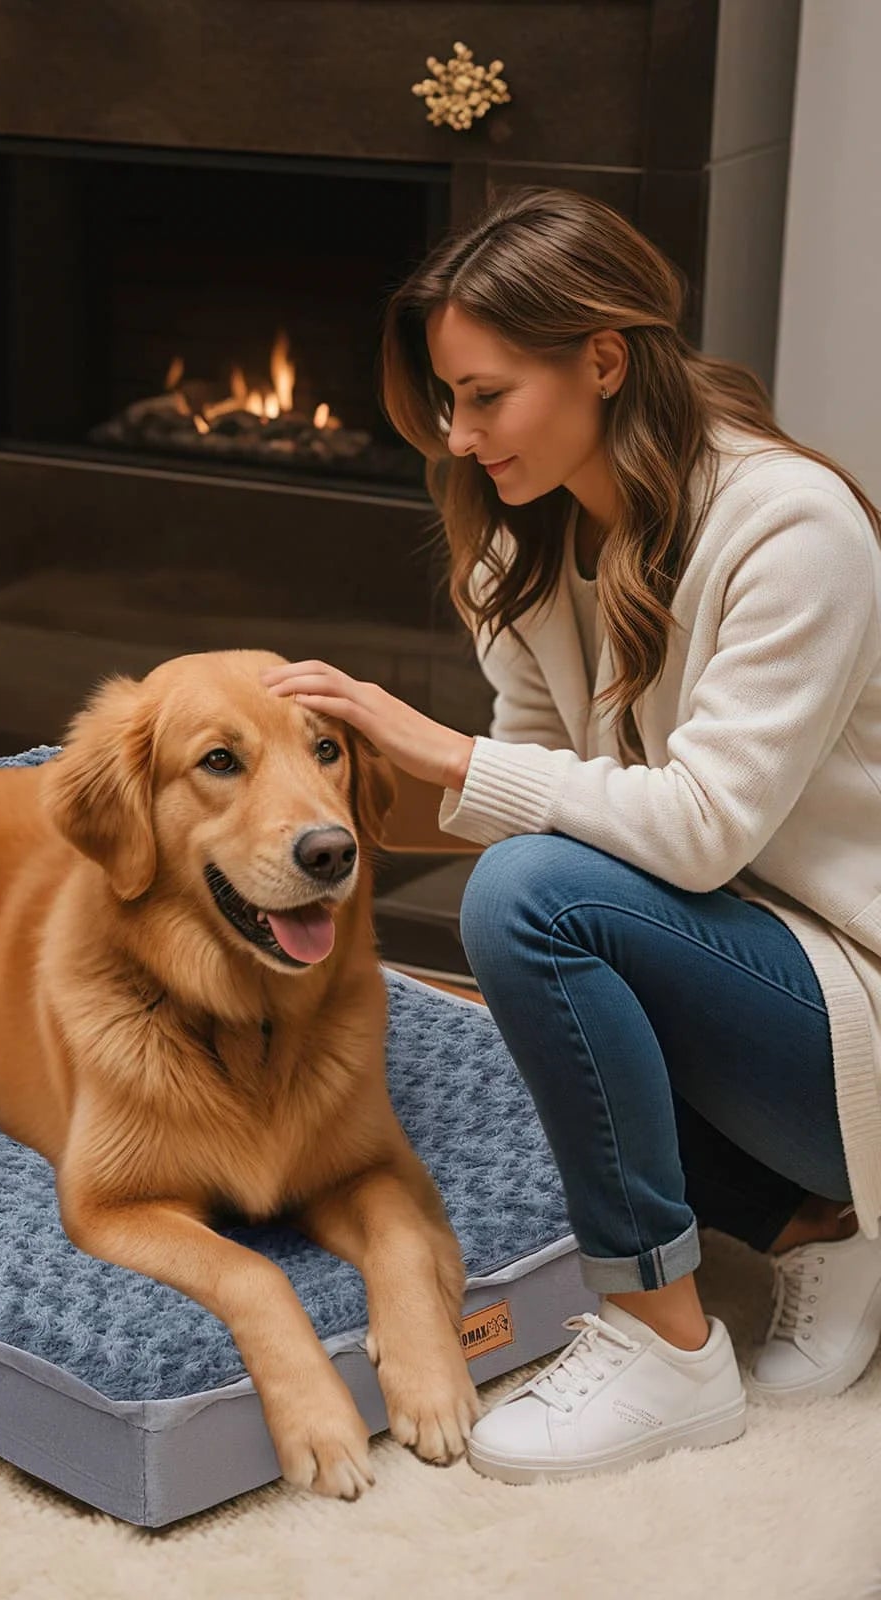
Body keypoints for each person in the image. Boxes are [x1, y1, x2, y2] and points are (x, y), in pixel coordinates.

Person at [263, 186, 881, 1485]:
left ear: (603, 359)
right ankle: (812, 1222)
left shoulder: (791, 526)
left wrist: (444, 751)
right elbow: (539, 787)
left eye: (486, 396)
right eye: (449, 401)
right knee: (528, 907)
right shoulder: (529, 551)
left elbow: (699, 831)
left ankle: (668, 1344)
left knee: (528, 898)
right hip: (755, 980)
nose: (458, 436)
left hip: (858, 999)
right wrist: (294, 799)